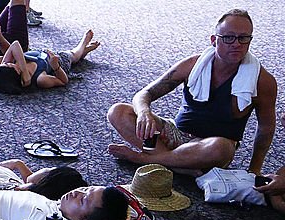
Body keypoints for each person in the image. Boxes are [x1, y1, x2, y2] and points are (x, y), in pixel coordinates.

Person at [107, 9, 278, 176]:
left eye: (243, 38)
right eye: (228, 37)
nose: (236, 44)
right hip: (174, 136)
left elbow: (266, 127)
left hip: (209, 147)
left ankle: (146, 159)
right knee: (118, 111)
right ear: (214, 40)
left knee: (222, 148)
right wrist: (144, 113)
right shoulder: (192, 65)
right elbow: (144, 94)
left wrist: (254, 170)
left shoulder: (262, 81)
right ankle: (175, 164)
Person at [0, 30, 99, 93]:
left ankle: (85, 51)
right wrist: (55, 66)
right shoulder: (41, 79)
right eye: (8, 65)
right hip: (57, 62)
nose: (5, 62)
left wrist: (24, 71)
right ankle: (83, 43)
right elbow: (63, 81)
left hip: (43, 53)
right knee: (73, 55)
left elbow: (15, 44)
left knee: (76, 57)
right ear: (15, 73)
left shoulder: (16, 63)